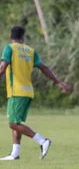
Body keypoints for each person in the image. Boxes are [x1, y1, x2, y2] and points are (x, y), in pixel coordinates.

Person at [0, 26, 71, 160]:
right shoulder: (30, 51)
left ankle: (42, 141)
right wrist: (58, 82)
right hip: (28, 92)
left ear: (10, 36)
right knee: (17, 122)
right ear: (23, 37)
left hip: (17, 91)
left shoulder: (9, 48)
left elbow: (3, 67)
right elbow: (44, 68)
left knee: (13, 123)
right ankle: (15, 153)